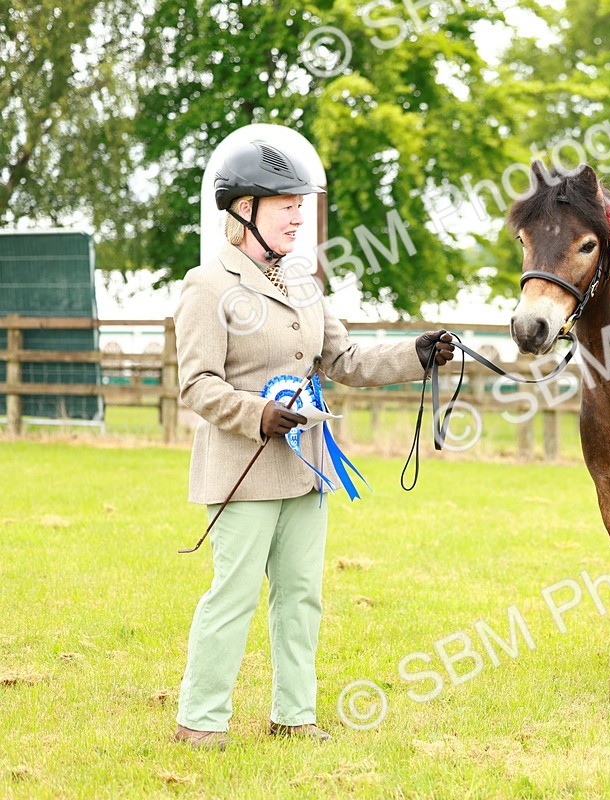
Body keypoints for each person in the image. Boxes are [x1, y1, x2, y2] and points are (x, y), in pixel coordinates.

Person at [172, 139, 452, 750]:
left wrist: (415, 353)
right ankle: (201, 719)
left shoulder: (302, 283)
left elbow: (344, 359)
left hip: (305, 469)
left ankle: (294, 716)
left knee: (301, 597)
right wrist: (257, 413)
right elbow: (195, 383)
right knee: (234, 597)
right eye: (285, 206)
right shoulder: (207, 284)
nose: (299, 216)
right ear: (244, 209)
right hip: (243, 468)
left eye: (302, 205)